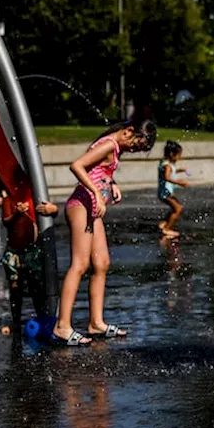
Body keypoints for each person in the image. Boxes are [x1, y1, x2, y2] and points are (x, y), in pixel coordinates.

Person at [53, 116, 158, 345]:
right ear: (129, 132)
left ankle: (96, 323)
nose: (133, 150)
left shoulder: (114, 146)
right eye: (136, 145)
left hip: (91, 208)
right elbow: (77, 166)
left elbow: (99, 171)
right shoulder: (109, 144)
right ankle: (62, 326)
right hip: (81, 205)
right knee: (80, 264)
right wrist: (97, 195)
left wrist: (112, 183)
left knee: (102, 263)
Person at [0, 186, 59, 324]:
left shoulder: (36, 195)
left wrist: (54, 210)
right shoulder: (9, 199)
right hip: (14, 252)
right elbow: (6, 221)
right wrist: (17, 214)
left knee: (36, 284)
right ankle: (16, 319)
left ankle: (42, 315)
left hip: (33, 250)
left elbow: (52, 212)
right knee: (15, 286)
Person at [157, 140, 189, 238]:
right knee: (178, 209)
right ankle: (167, 229)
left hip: (165, 192)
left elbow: (171, 172)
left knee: (175, 208)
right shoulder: (168, 166)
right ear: (172, 154)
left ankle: (164, 224)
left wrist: (180, 170)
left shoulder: (165, 163)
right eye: (178, 155)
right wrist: (180, 182)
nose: (180, 157)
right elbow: (167, 177)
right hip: (165, 192)